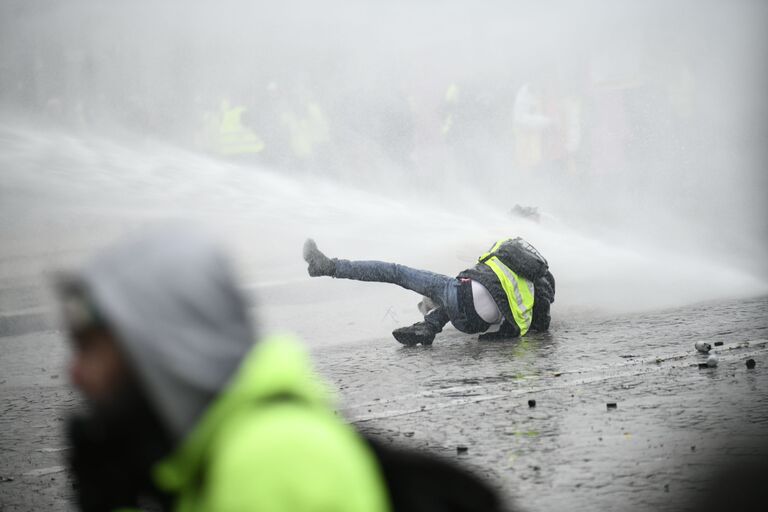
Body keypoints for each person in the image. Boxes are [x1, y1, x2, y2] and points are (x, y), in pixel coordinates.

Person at [58, 226, 389, 512]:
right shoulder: (212, 453)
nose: (75, 372)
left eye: (92, 348)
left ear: (160, 344)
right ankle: (329, 265)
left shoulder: (268, 460)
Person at [302, 237, 555, 346]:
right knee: (458, 293)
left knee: (395, 272)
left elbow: (478, 266)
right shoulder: (530, 293)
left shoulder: (507, 251)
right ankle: (427, 329)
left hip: (460, 296)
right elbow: (541, 325)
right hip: (472, 323)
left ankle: (328, 266)